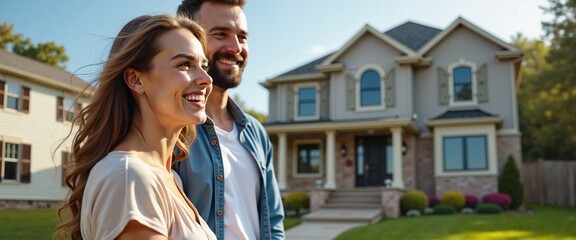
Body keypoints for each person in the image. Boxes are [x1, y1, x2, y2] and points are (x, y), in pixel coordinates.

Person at [54, 14, 216, 240]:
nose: (206, 79)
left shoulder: (168, 178)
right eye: (184, 64)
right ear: (136, 80)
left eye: (203, 66)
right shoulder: (130, 177)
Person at [173, 0, 285, 239]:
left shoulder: (255, 132)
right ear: (189, 41)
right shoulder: (172, 129)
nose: (236, 47)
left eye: (242, 37)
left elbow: (273, 220)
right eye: (221, 34)